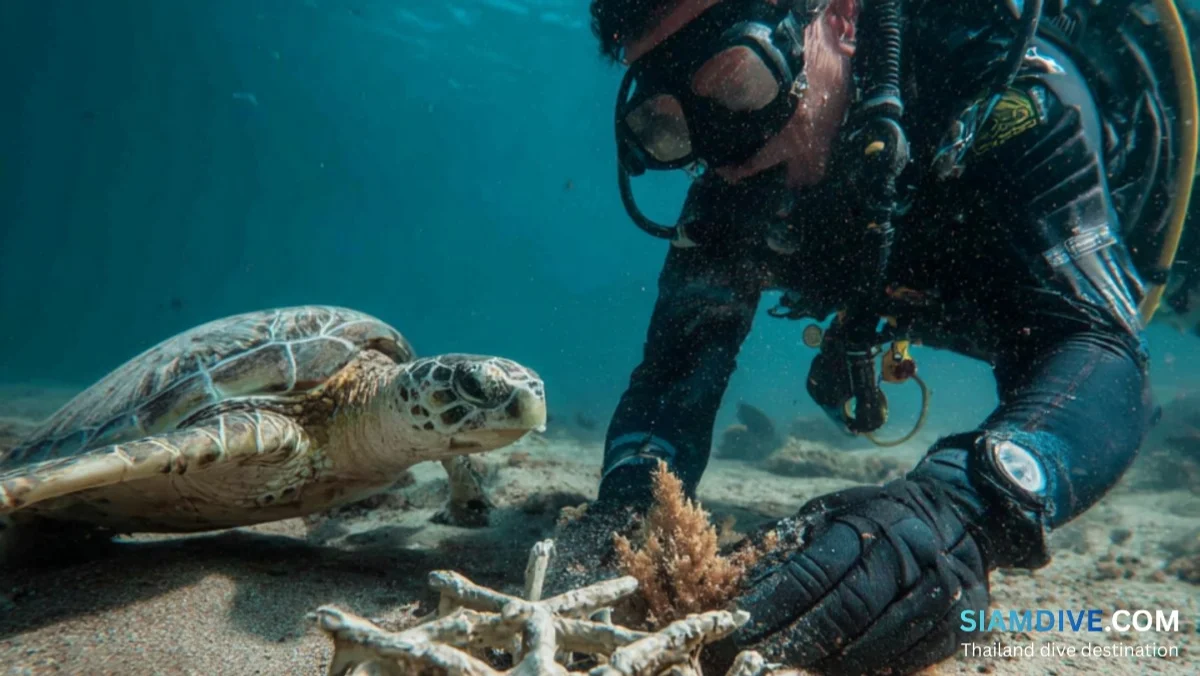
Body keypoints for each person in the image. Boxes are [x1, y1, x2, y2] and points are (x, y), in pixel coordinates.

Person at [547, 1, 1199, 675]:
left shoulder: (1006, 94)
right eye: (668, 126)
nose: (724, 155)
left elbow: (1102, 351)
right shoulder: (734, 184)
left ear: (842, 20)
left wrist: (959, 508)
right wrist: (625, 507)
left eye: (739, 81)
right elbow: (673, 372)